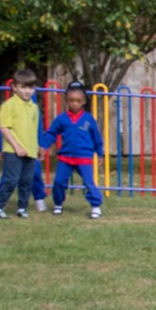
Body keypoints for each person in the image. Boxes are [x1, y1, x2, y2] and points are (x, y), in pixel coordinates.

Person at [43, 84, 107, 218]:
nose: (75, 103)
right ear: (67, 100)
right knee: (59, 181)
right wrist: (43, 146)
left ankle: (95, 206)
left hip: (84, 157)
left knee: (89, 182)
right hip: (65, 157)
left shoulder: (89, 119)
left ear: (83, 102)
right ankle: (58, 204)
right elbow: (51, 133)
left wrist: (100, 153)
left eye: (78, 101)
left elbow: (96, 137)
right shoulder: (61, 119)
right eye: (72, 100)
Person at [0, 70, 43, 220]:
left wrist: (37, 147)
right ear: (14, 87)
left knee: (27, 181)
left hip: (30, 150)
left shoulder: (34, 107)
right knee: (11, 180)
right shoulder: (8, 105)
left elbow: (34, 129)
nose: (27, 91)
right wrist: (16, 147)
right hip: (13, 150)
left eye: (31, 87)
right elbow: (4, 128)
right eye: (23, 87)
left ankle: (22, 208)